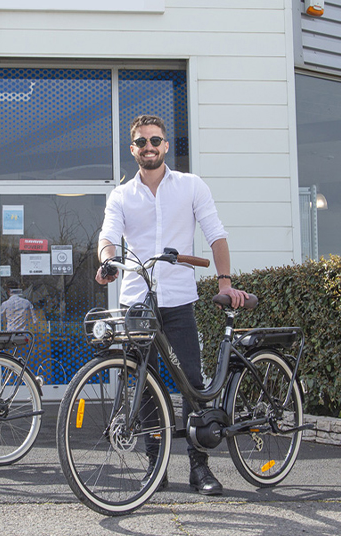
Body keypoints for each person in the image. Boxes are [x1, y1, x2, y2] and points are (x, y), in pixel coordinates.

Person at [94, 115, 251, 496]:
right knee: (145, 387)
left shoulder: (191, 186)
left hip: (180, 299)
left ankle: (200, 469)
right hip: (137, 302)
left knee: (192, 385)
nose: (149, 147)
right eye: (142, 142)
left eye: (156, 140)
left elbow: (216, 234)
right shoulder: (121, 195)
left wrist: (225, 282)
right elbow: (108, 236)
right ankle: (156, 468)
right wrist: (106, 262)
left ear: (165, 145)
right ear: (133, 150)